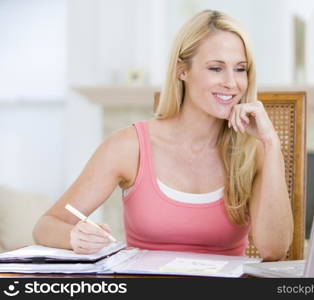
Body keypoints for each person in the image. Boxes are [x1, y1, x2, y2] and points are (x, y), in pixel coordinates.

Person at [33, 10, 293, 261]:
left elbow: (274, 250)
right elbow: (46, 225)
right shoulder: (130, 146)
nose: (231, 82)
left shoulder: (254, 150)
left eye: (240, 69)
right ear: (182, 71)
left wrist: (271, 144)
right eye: (216, 68)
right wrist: (74, 235)